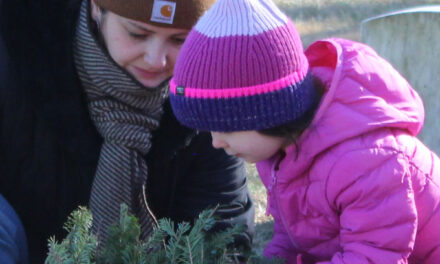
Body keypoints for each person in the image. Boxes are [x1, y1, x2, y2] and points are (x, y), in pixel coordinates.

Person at [169, 0, 440, 263]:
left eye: (224, 128)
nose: (216, 143)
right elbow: (294, 233)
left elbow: (373, 256)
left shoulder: (364, 161)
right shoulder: (280, 152)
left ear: (268, 112)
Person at [0, 0, 255, 262]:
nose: (156, 59)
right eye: (138, 34)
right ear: (96, 9)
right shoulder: (14, 55)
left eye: (180, 40)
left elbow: (222, 223)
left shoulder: (206, 92)